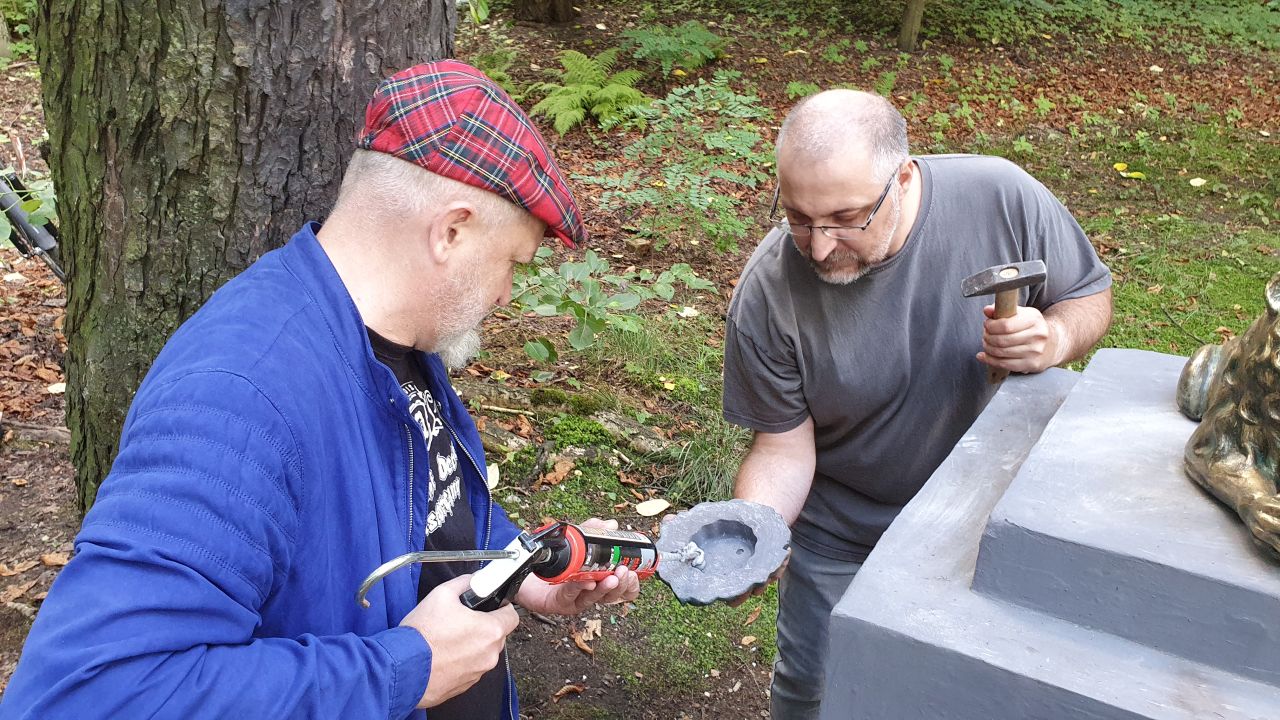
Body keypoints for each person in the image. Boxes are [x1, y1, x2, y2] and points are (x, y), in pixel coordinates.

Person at [0, 60, 639, 720]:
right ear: (451, 231)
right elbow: (91, 693)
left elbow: (428, 504)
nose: (505, 294)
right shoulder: (239, 397)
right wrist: (405, 669)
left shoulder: (396, 338)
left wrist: (523, 570)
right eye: (511, 263)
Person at [721, 90, 1113, 720]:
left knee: (962, 693)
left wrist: (1056, 338)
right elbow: (782, 448)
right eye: (797, 217)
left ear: (902, 179)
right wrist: (754, 532)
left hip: (985, 526)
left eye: (846, 218)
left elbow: (1088, 293)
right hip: (842, 533)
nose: (818, 247)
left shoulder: (1000, 197)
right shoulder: (769, 293)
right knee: (816, 691)